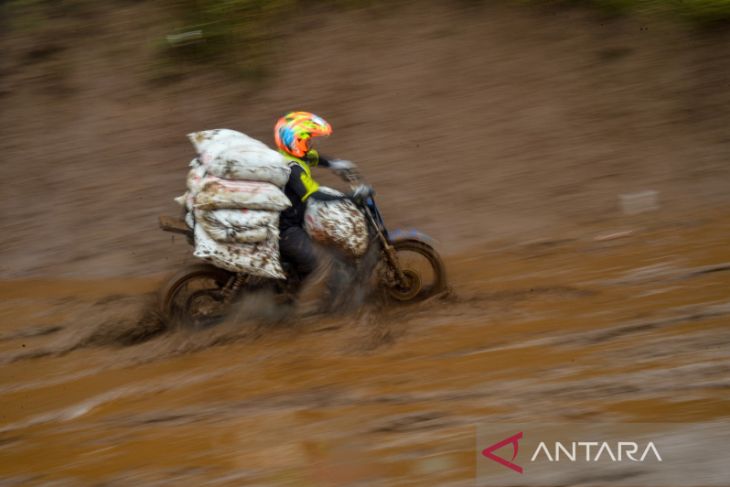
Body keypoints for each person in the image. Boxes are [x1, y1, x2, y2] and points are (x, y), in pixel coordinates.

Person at [273, 111, 370, 283]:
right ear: (295, 142)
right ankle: (305, 304)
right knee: (323, 263)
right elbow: (314, 195)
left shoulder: (290, 156)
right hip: (287, 229)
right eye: (307, 140)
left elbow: (315, 158)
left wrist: (335, 164)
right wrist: (349, 198)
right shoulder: (293, 168)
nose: (310, 144)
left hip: (295, 219)